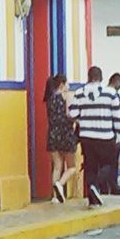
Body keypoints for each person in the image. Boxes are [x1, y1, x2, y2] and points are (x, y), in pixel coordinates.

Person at [70, 66, 120, 207]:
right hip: (105, 136)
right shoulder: (111, 93)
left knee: (90, 166)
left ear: (88, 77)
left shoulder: (79, 93)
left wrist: (84, 119)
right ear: (101, 78)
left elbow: (73, 114)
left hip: (86, 136)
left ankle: (92, 199)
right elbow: (117, 117)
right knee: (108, 165)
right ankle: (96, 185)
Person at [43, 75, 77, 203]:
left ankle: (55, 196)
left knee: (57, 166)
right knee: (72, 167)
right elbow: (69, 114)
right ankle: (60, 184)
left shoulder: (49, 99)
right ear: (62, 84)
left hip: (53, 133)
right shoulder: (66, 96)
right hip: (66, 133)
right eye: (67, 83)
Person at [105, 72, 120, 195]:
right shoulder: (114, 96)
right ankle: (113, 186)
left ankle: (103, 187)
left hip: (101, 134)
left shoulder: (102, 94)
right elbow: (118, 118)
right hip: (112, 135)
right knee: (112, 163)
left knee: (104, 163)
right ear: (116, 82)